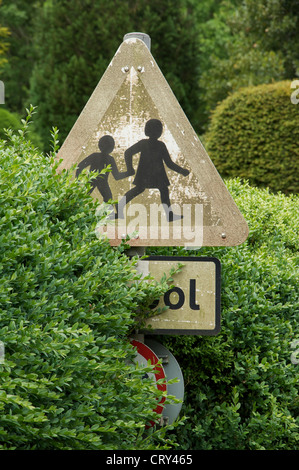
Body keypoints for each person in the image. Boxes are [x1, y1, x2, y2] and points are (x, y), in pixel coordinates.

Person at [116, 119, 189, 221]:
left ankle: (169, 215)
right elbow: (128, 152)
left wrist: (181, 171)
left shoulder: (157, 145)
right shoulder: (152, 144)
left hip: (155, 174)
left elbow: (169, 163)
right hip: (151, 174)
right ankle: (119, 206)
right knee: (156, 189)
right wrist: (130, 169)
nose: (158, 132)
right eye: (157, 129)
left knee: (157, 189)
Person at [76, 135, 127, 202]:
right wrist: (128, 173)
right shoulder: (109, 159)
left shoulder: (96, 156)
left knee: (81, 199)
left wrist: (78, 179)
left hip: (95, 181)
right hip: (99, 182)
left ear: (100, 145)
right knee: (108, 200)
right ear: (112, 148)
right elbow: (117, 176)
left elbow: (80, 166)